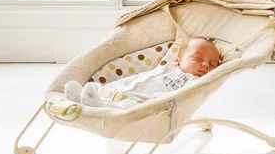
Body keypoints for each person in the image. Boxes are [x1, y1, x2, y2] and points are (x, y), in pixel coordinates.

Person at [65, 37, 221, 109]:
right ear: (179, 61)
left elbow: (181, 98)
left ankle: (99, 106)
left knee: (127, 107)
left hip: (143, 101)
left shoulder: (194, 82)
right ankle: (80, 97)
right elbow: (146, 76)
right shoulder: (169, 67)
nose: (206, 64)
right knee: (98, 87)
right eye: (197, 58)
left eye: (213, 64)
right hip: (127, 86)